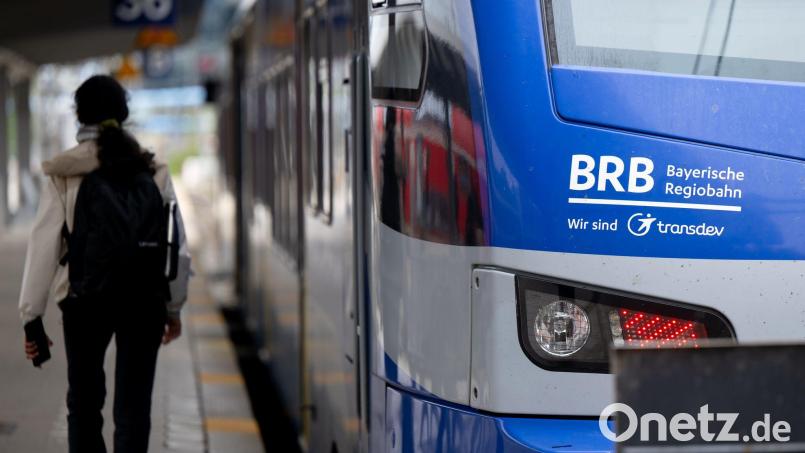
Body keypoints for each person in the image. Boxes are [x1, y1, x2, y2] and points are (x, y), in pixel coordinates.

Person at [18, 75, 192, 453]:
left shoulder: (63, 171)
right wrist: (173, 308)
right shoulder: (152, 169)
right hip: (143, 302)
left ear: (80, 116)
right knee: (133, 412)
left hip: (84, 302)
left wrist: (32, 319)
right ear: (123, 114)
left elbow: (43, 243)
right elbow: (176, 247)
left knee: (83, 406)